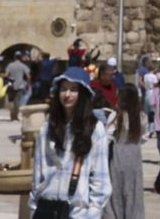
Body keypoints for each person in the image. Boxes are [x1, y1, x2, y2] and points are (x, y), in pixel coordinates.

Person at [28, 67, 111, 217]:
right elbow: (38, 172)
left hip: (77, 212)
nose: (67, 94)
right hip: (46, 207)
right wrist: (33, 207)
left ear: (82, 93)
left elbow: (101, 179)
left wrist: (92, 213)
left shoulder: (94, 129)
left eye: (73, 90)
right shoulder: (48, 127)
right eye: (64, 89)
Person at [103, 85, 145, 219]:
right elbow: (143, 137)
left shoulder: (117, 116)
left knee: (117, 188)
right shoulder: (141, 116)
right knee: (133, 190)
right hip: (134, 155)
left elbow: (107, 137)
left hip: (119, 155)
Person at [6, 51, 32, 121]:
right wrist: (27, 84)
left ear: (14, 57)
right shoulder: (23, 65)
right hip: (20, 85)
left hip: (11, 84)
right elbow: (28, 77)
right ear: (20, 58)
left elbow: (6, 74)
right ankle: (16, 116)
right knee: (17, 101)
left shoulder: (10, 65)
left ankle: (12, 116)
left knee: (11, 101)